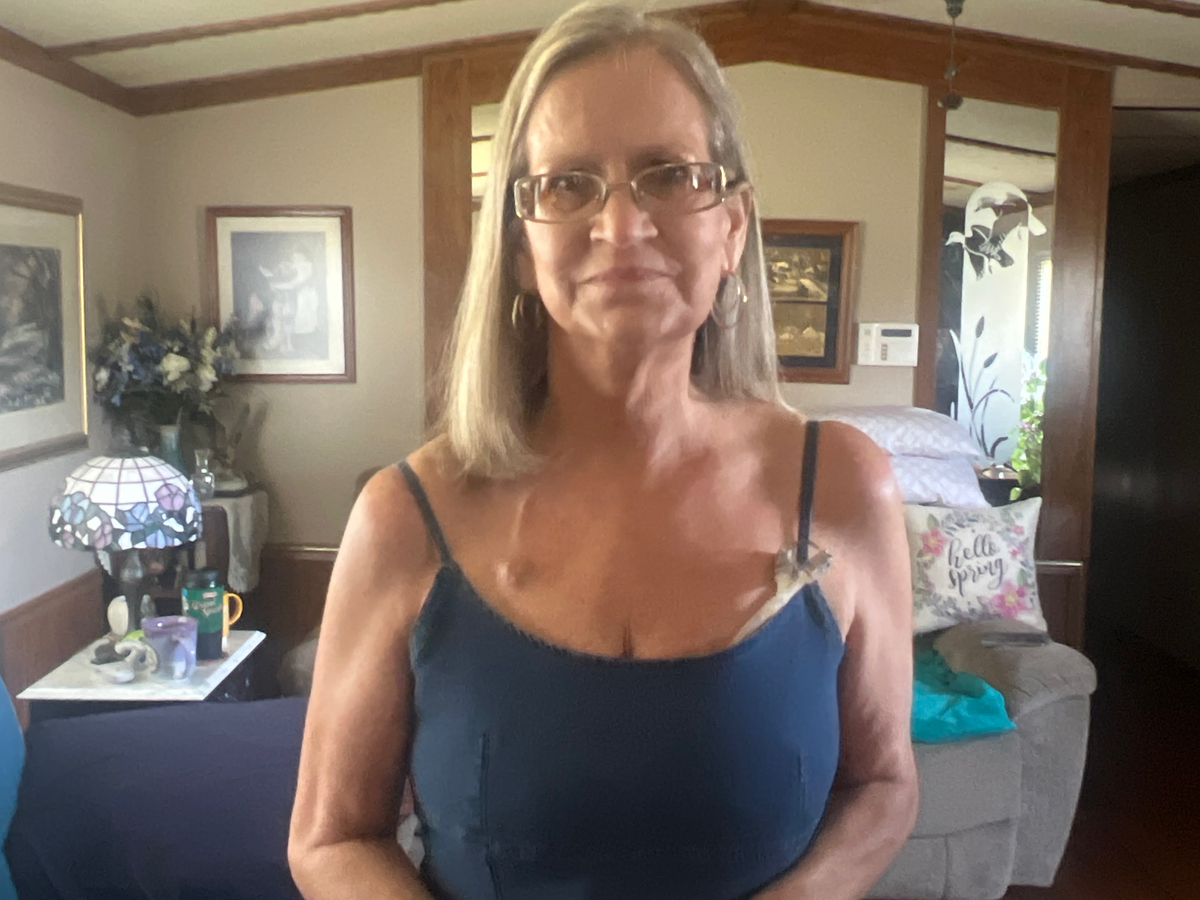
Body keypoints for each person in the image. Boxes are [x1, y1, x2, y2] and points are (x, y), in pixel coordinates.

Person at [288, 4, 918, 899]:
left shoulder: (845, 485)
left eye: (670, 175)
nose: (621, 228)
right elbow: (331, 840)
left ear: (733, 227)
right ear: (520, 246)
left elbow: (884, 785)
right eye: (568, 185)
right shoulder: (404, 516)